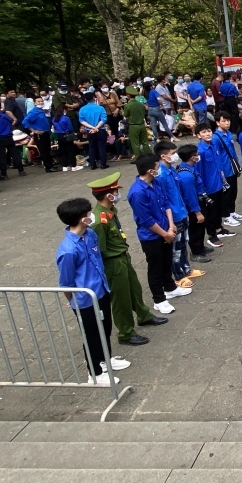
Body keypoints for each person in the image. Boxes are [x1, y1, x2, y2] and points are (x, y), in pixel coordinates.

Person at [88, 172, 168, 339]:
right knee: (121, 299)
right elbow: (99, 251)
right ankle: (125, 332)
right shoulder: (99, 221)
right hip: (113, 263)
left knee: (134, 289)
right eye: (116, 191)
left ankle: (143, 315)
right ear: (109, 195)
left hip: (123, 257)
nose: (118, 194)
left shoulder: (110, 212)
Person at [54, 197, 121, 384]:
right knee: (91, 334)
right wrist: (72, 300)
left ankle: (105, 359)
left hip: (101, 290)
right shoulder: (68, 251)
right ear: (82, 219)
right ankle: (94, 372)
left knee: (106, 326)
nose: (92, 215)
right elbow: (66, 283)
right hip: (85, 298)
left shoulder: (90, 234)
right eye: (88, 213)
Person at [128, 154, 188, 311]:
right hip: (152, 236)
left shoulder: (156, 183)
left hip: (166, 229)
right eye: (157, 167)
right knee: (155, 267)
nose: (159, 169)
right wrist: (165, 233)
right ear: (149, 170)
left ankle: (170, 288)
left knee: (166, 262)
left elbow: (166, 203)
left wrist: (171, 225)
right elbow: (146, 220)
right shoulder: (137, 193)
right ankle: (159, 299)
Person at [155, 141, 197, 287]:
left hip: (181, 211)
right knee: (176, 248)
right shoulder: (160, 174)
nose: (175, 156)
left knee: (184, 243)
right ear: (163, 156)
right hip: (173, 216)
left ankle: (186, 269)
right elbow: (163, 199)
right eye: (172, 153)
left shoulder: (171, 169)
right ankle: (178, 275)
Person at [175, 144, 212, 264]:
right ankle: (195, 252)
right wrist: (197, 212)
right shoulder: (186, 176)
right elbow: (191, 196)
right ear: (192, 157)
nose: (198, 156)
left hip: (199, 200)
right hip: (194, 205)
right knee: (195, 229)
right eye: (196, 154)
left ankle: (201, 247)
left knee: (201, 228)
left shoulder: (189, 168)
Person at [123, 87, 148, 161]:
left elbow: (126, 116)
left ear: (128, 95)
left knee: (135, 144)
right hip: (142, 125)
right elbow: (144, 113)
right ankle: (149, 156)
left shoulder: (127, 106)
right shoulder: (141, 105)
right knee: (145, 142)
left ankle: (138, 158)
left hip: (133, 126)